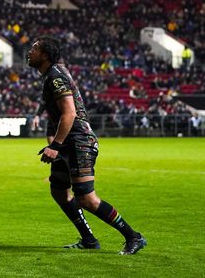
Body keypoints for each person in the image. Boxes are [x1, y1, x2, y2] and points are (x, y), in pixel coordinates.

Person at [27, 36, 147, 255]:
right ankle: (89, 240)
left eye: (34, 48)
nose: (29, 52)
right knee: (59, 191)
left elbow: (69, 112)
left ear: (45, 55)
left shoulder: (55, 77)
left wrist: (55, 145)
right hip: (69, 143)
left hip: (79, 142)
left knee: (87, 199)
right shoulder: (54, 74)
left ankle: (134, 237)